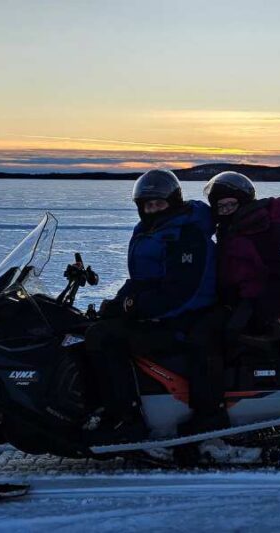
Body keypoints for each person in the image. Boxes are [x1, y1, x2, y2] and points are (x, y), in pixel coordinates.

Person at [85, 169, 224, 444]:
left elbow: (183, 291)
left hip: (186, 316)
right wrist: (117, 303)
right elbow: (142, 280)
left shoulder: (186, 234)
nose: (153, 209)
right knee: (91, 328)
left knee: (106, 339)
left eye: (159, 203)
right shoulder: (152, 230)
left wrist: (135, 307)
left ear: (173, 202)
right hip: (163, 311)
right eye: (148, 204)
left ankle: (128, 418)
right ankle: (96, 405)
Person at [203, 171, 280, 350]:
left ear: (244, 201)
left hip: (262, 308)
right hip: (237, 303)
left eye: (230, 204)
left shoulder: (267, 231)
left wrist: (263, 314)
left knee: (209, 342)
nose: (226, 210)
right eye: (221, 207)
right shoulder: (232, 230)